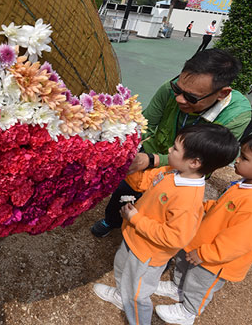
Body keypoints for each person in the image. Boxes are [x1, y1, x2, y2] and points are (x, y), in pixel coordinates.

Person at [91, 49, 251, 238]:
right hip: (152, 153)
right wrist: (130, 148)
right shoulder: (169, 89)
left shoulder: (236, 116)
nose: (179, 99)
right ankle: (112, 220)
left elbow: (206, 158)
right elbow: (146, 125)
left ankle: (145, 236)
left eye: (191, 97)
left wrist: (153, 160)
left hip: (187, 171)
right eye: (178, 89)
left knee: (163, 207)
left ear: (222, 93)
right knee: (125, 189)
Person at [93, 124, 240, 325]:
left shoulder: (187, 200)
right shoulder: (174, 171)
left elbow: (175, 237)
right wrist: (124, 169)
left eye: (176, 149)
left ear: (195, 162)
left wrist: (136, 219)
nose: (169, 150)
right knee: (122, 268)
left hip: (148, 253)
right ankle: (120, 295)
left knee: (137, 293)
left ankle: (138, 320)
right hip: (135, 238)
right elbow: (147, 180)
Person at [154, 130, 252, 325]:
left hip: (215, 259)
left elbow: (238, 242)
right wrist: (207, 207)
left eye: (244, 158)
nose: (237, 160)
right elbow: (223, 209)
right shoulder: (246, 184)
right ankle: (177, 287)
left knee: (199, 283)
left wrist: (205, 254)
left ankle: (188, 311)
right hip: (202, 242)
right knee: (183, 265)